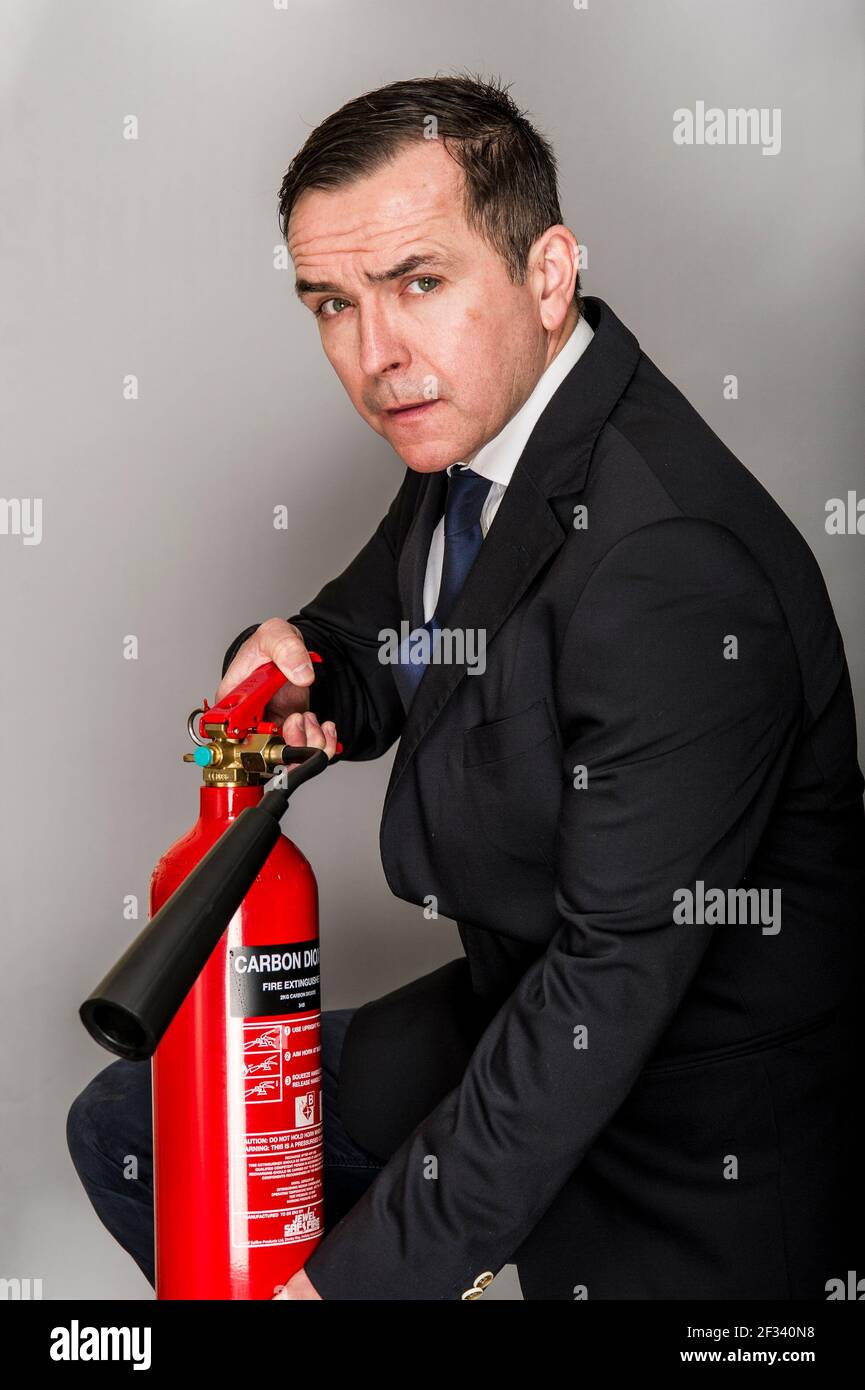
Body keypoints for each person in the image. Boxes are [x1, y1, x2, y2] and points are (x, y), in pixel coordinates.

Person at [68, 73, 865, 1302]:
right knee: (136, 1124)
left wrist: (355, 1286)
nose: (376, 354)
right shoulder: (484, 429)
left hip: (676, 1117)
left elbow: (602, 999)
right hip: (522, 1001)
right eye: (331, 303)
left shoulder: (668, 567)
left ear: (546, 274)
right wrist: (298, 672)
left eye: (418, 284)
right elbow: (387, 636)